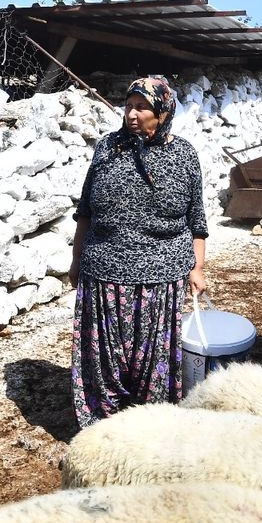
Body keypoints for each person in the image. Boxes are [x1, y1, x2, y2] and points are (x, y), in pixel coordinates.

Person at [67, 76, 209, 428]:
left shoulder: (183, 154)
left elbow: (197, 220)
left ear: (162, 113)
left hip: (161, 277)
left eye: (142, 107)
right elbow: (85, 209)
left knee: (152, 362)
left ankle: (148, 430)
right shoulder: (107, 148)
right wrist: (75, 259)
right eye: (128, 106)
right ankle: (103, 428)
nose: (131, 114)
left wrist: (198, 267)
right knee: (104, 361)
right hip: (104, 272)